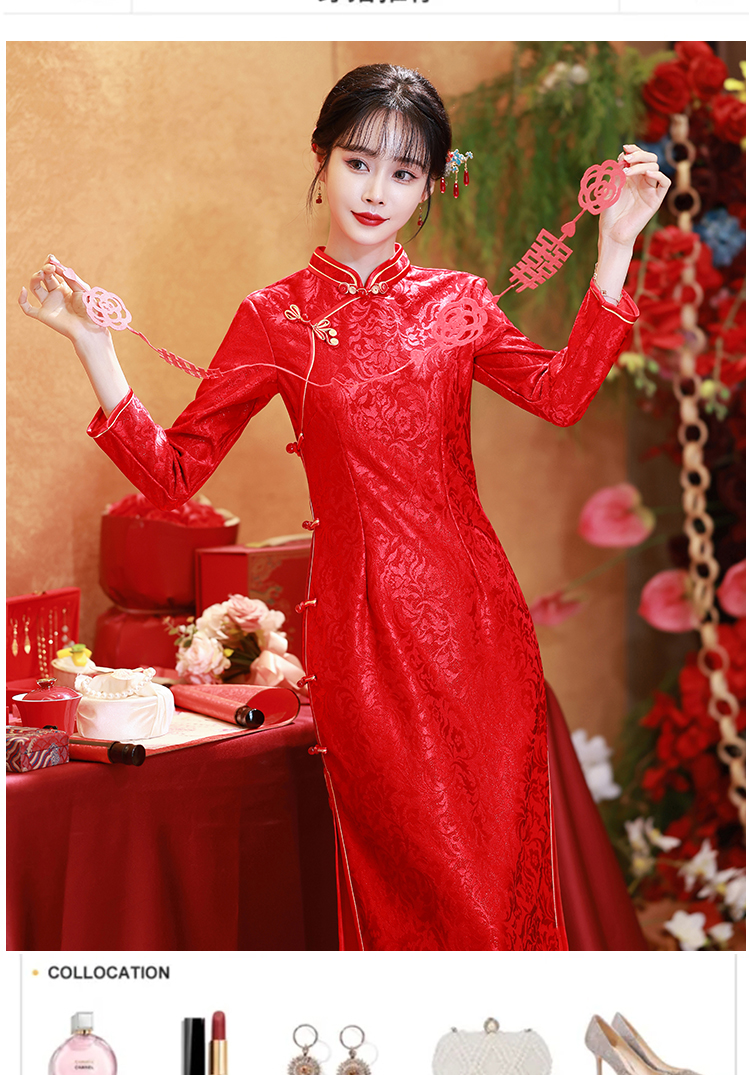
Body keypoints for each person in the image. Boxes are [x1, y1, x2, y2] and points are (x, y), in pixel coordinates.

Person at [20, 63, 669, 951]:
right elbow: (173, 472)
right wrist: (96, 347)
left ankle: (507, 1036)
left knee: (497, 889)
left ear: (431, 185)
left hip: (479, 629)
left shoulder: (459, 303)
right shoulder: (275, 318)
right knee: (408, 881)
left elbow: (561, 395)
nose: (375, 191)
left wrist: (616, 248)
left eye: (404, 172)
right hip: (361, 638)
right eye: (359, 162)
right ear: (321, 160)